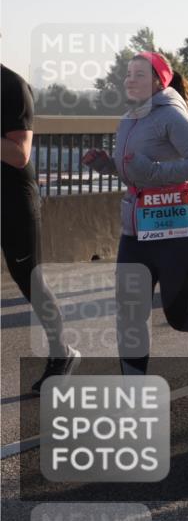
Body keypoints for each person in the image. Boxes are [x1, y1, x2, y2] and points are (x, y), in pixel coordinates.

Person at [82, 52, 188, 375]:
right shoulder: (129, 118)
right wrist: (108, 165)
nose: (129, 79)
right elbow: (136, 172)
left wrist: (153, 170)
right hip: (137, 230)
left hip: (180, 228)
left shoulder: (172, 115)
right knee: (131, 315)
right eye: (127, 73)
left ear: (159, 81)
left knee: (181, 316)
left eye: (138, 74)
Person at [2, 64, 79, 394]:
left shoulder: (12, 86)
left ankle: (62, 352)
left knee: (29, 279)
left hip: (12, 200)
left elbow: (19, 154)